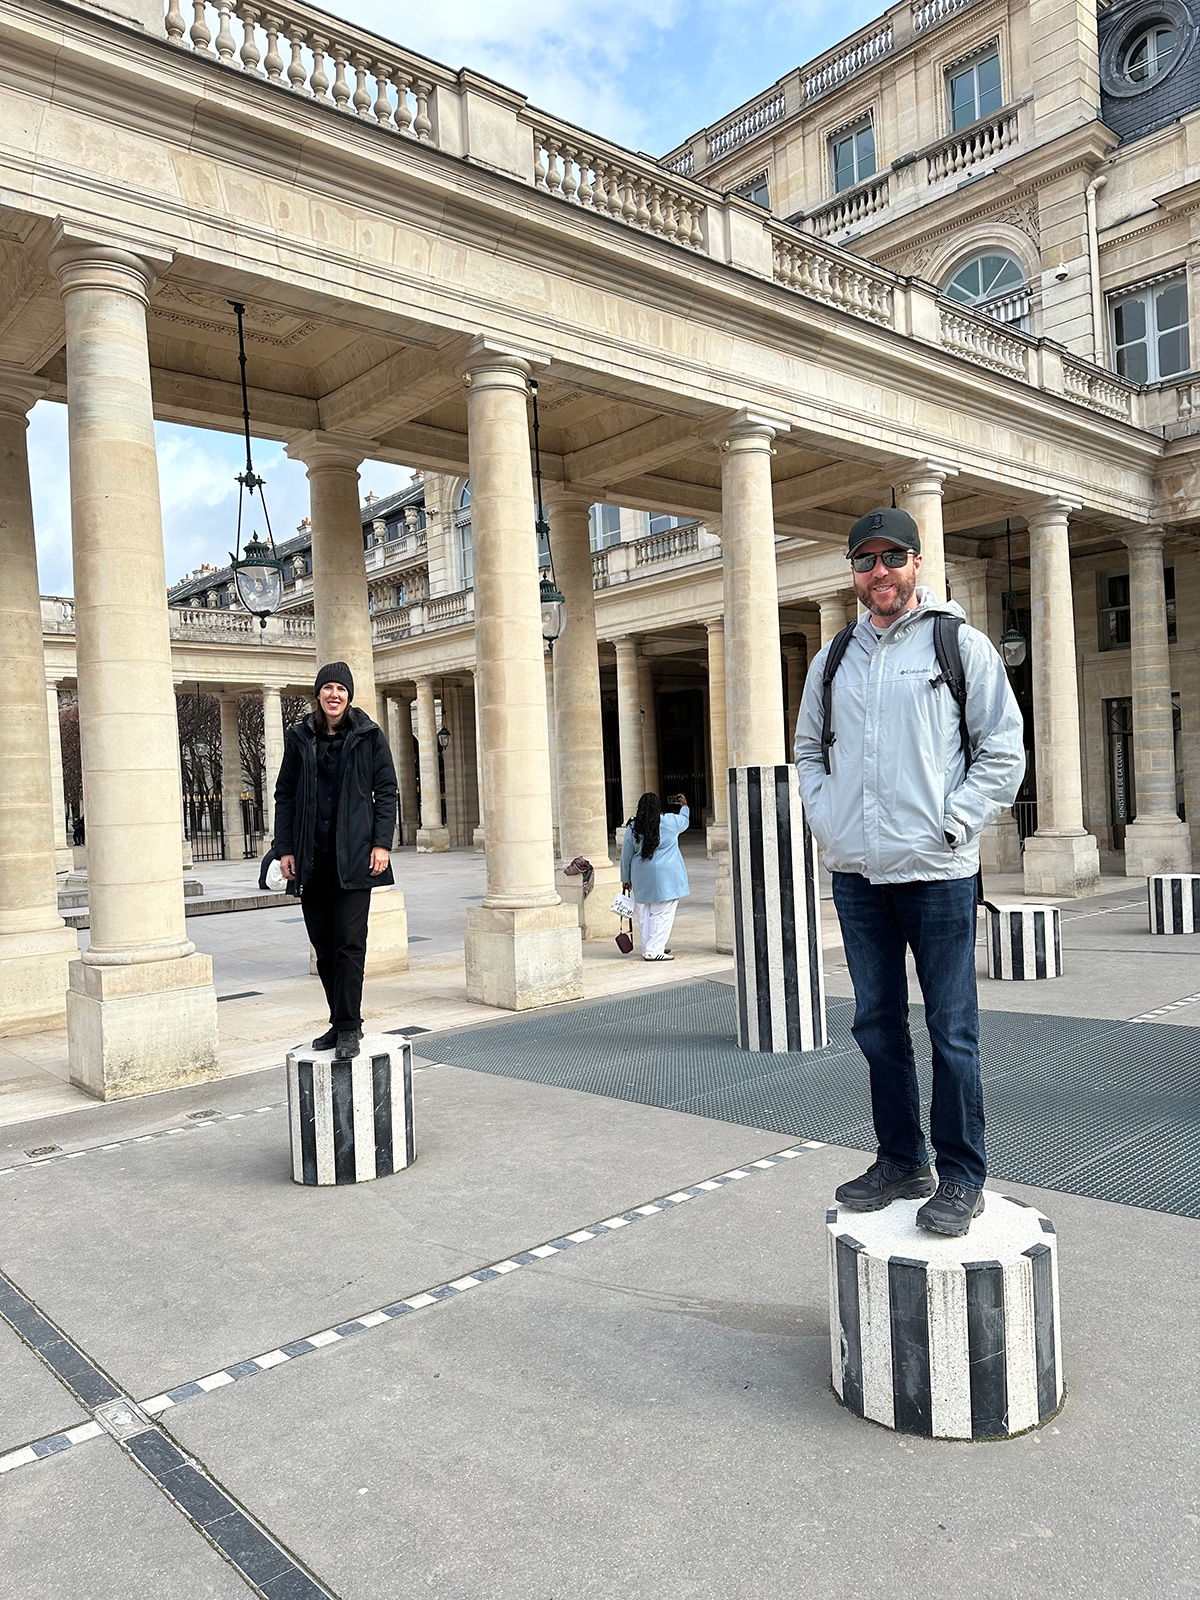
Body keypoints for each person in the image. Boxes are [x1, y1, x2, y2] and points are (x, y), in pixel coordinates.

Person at [794, 508, 1024, 1237]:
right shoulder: (833, 659)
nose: (879, 572)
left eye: (893, 557)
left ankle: (959, 1174)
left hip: (939, 871)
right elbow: (808, 750)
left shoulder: (960, 645)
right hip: (858, 873)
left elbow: (1003, 751)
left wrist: (951, 825)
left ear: (917, 563)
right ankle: (902, 1158)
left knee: (952, 1031)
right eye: (865, 561)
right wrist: (827, 819)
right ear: (853, 573)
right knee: (877, 1027)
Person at [273, 663, 397, 1060]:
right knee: (324, 947)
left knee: (349, 944)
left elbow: (387, 791)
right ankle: (339, 1020)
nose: (334, 695)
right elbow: (285, 795)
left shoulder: (369, 736)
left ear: (349, 695)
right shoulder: (299, 738)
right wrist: (284, 848)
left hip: (356, 858)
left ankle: (349, 1027)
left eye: (340, 689)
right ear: (318, 694)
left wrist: (382, 843)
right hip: (312, 859)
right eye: (327, 688)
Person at [620, 792, 690, 961]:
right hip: (667, 876)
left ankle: (648, 947)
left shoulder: (633, 827)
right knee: (663, 912)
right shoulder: (670, 821)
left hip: (641, 875)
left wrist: (625, 878)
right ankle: (654, 949)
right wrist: (685, 806)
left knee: (644, 913)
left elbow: (626, 855)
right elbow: (685, 821)